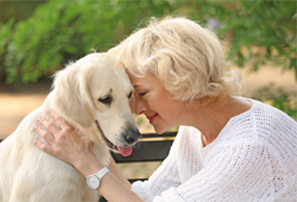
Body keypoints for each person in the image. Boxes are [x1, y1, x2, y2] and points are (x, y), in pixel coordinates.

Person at [34, 16, 297, 201]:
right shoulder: (194, 131)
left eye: (142, 93)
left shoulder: (251, 148)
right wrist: (94, 140)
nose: (135, 109)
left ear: (182, 80)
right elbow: (146, 197)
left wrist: (86, 163)